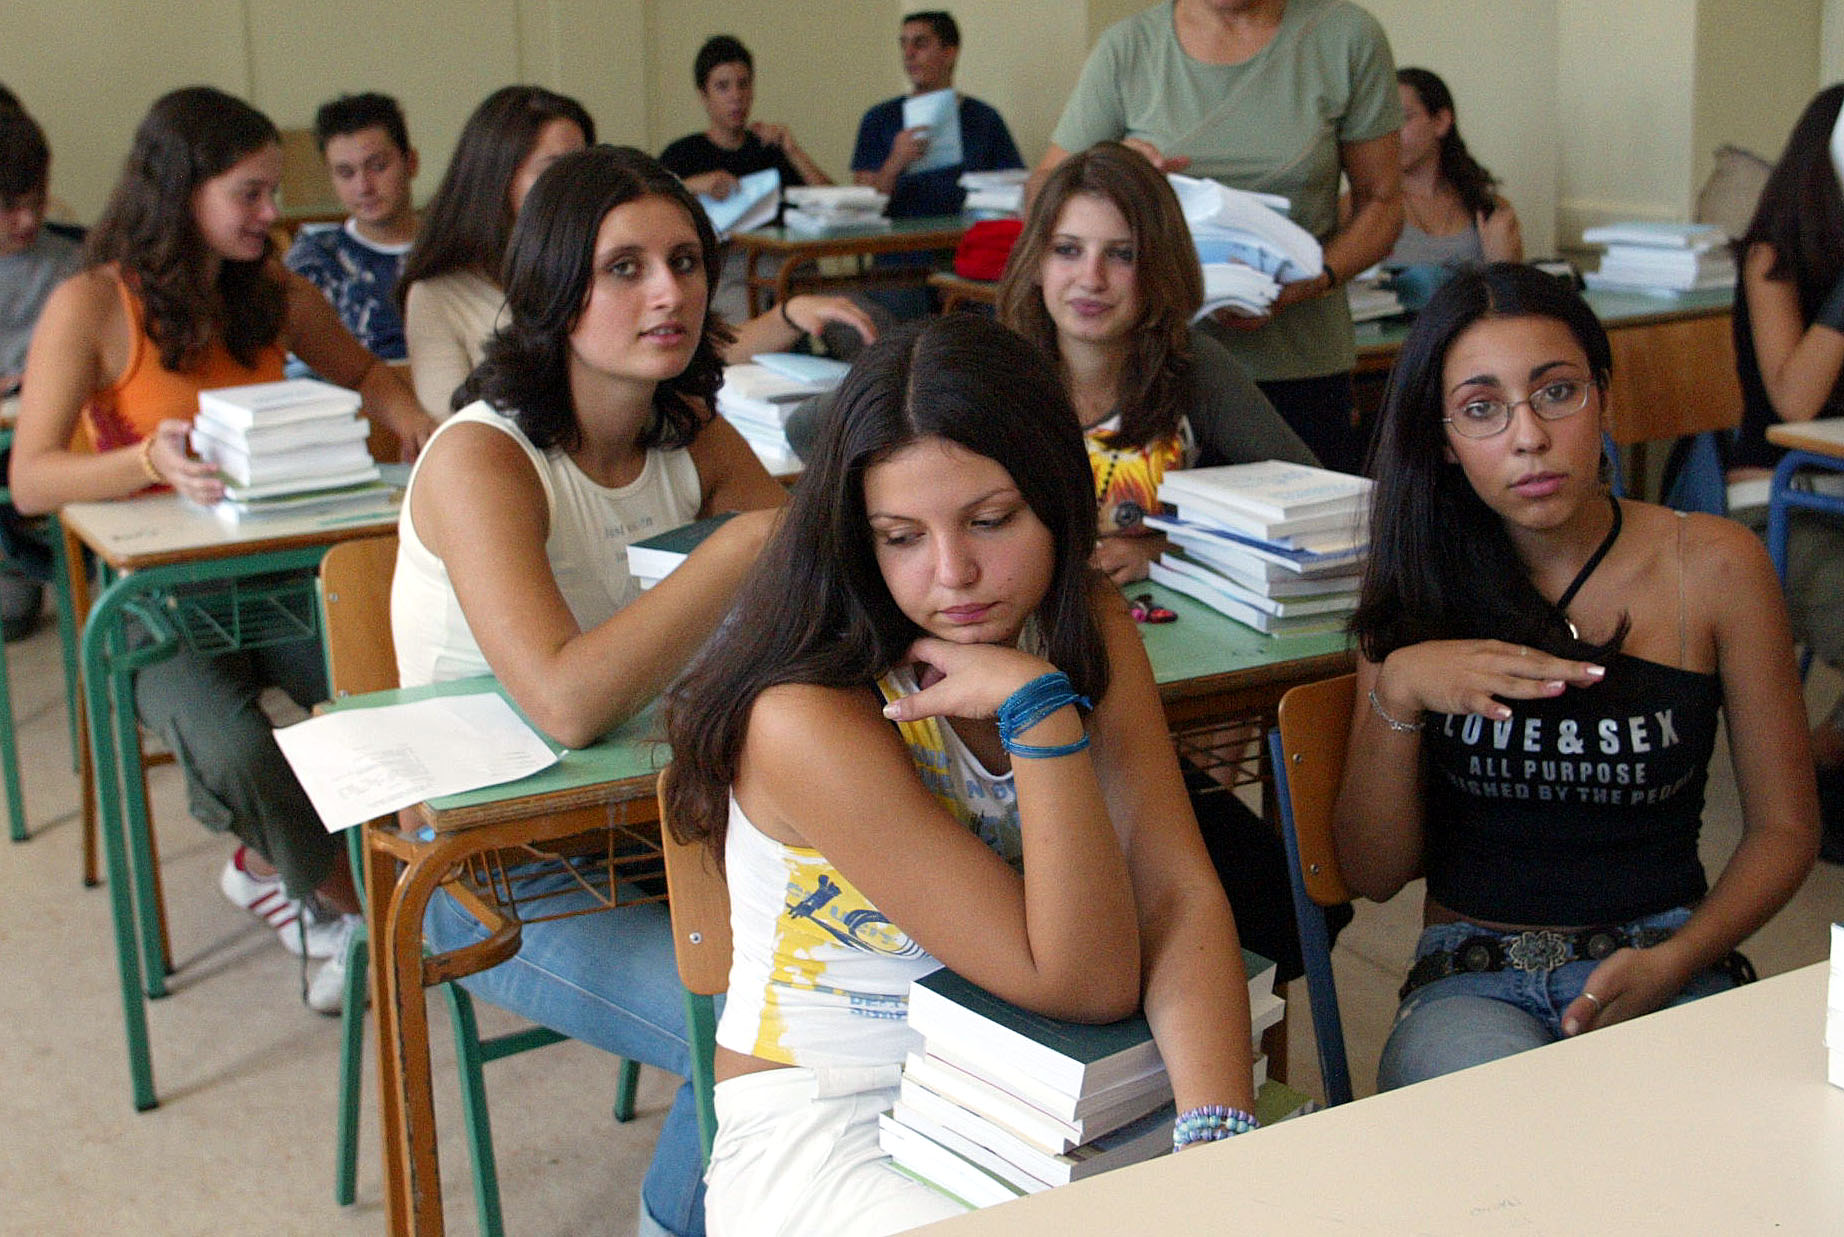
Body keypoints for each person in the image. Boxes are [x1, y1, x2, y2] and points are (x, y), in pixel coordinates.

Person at [665, 313, 1258, 1235]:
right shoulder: (808, 715)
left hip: (1038, 1081)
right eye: (901, 536)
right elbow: (1087, 977)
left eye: (991, 520)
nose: (955, 573)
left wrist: (1221, 1142)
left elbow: (1174, 893)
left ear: (1057, 495)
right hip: (837, 1117)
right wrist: (1039, 715)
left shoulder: (1086, 621)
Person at [395, 144, 787, 1237]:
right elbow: (564, 705)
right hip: (491, 869)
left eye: (684, 260)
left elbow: (802, 600)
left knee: (867, 969)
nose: (668, 292)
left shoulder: (690, 430)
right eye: (624, 268)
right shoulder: (483, 459)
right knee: (754, 1022)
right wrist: (736, 550)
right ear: (555, 291)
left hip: (659, 828)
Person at [1333, 263, 1817, 1091]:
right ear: (1445, 440)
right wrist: (1401, 687)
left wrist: (1674, 960)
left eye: (1556, 392)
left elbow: (1785, 830)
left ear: (1603, 398)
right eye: (1482, 409)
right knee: (1514, 1154)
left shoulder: (1712, 565)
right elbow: (1371, 872)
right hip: (1471, 973)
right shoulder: (1418, 577)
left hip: (1666, 953)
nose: (1528, 436)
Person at [9, 86, 437, 1012]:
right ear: (181, 193)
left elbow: (363, 370)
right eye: (249, 193)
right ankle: (349, 906)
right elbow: (31, 478)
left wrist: (413, 425)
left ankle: (294, 871)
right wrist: (141, 460)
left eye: (273, 191)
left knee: (386, 681)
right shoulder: (92, 303)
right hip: (155, 597)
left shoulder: (271, 286)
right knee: (237, 745)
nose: (272, 213)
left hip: (278, 571)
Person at [1033, 0, 1404, 475]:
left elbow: (1383, 203)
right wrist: (1113, 164)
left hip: (1299, 360)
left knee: (1309, 524)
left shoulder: (1346, 37)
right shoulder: (1130, 47)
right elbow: (1046, 192)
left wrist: (1312, 283)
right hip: (1155, 368)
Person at [402, 85, 873, 415]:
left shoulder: (679, 424)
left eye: (684, 262)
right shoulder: (440, 294)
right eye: (556, 169)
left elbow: (698, 345)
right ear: (495, 180)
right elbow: (457, 419)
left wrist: (789, 315)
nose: (579, 187)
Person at [1731, 83, 1844, 862]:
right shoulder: (1775, 255)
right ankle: (1808, 765)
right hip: (1779, 494)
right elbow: (1794, 394)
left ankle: (1822, 750)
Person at [0, 92, 80, 638]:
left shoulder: (75, 261)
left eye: (37, 199)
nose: (27, 219)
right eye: (7, 206)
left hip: (59, 437)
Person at [284, 91, 420, 361]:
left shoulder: (457, 248)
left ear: (411, 163)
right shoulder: (313, 264)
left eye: (378, 166)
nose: (363, 187)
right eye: (346, 173)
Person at [851, 10, 1025, 219]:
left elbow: (1015, 189)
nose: (909, 53)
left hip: (966, 242)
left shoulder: (984, 118)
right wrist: (894, 163)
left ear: (950, 53)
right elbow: (859, 210)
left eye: (920, 44)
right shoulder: (879, 118)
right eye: (904, 44)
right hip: (900, 246)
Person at [660, 35, 832, 199]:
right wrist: (691, 186)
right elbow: (649, 205)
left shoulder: (769, 149)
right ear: (703, 95)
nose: (736, 96)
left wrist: (793, 151)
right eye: (723, 86)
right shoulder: (681, 154)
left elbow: (837, 206)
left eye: (743, 84)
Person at [1384, 68, 1522, 270]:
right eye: (1382, 122)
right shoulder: (1359, 207)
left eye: (1403, 118)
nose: (1390, 132)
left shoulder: (1490, 210)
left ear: (1440, 121)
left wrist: (1502, 264)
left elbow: (1514, 297)